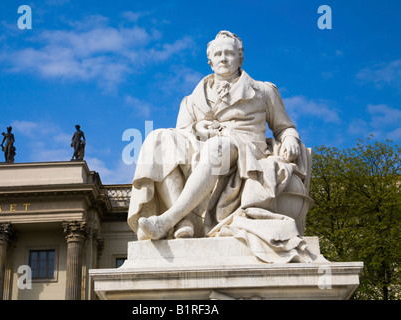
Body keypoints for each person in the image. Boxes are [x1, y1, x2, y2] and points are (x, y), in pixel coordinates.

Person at [128, 31, 306, 242]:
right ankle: (184, 222)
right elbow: (180, 134)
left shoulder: (264, 91)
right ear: (210, 61)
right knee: (158, 139)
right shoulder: (192, 99)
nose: (223, 58)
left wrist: (290, 138)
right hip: (203, 146)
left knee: (217, 147)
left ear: (240, 57)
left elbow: (284, 127)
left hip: (246, 148)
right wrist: (196, 127)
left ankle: (168, 219)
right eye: (218, 54)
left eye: (229, 53)